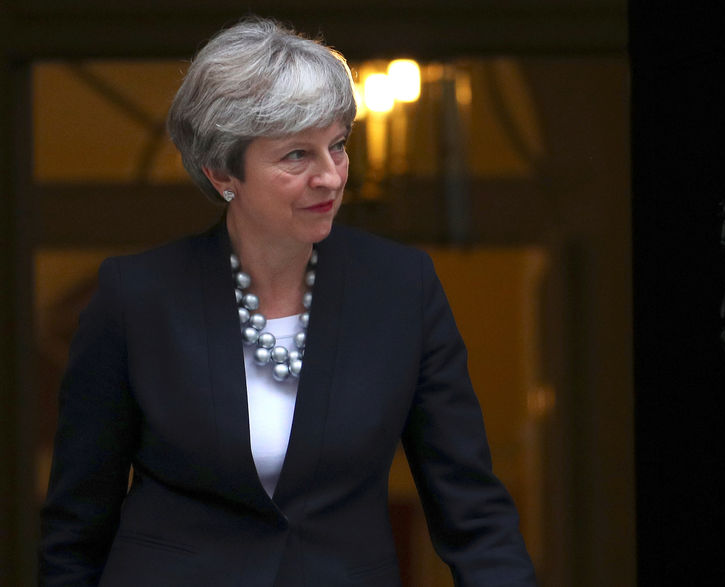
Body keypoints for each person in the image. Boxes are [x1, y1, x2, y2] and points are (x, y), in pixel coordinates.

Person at [39, 16, 537, 587]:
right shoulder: (135, 297)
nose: (330, 177)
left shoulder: (402, 288)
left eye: (338, 146)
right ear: (223, 171)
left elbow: (473, 510)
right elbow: (76, 528)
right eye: (297, 156)